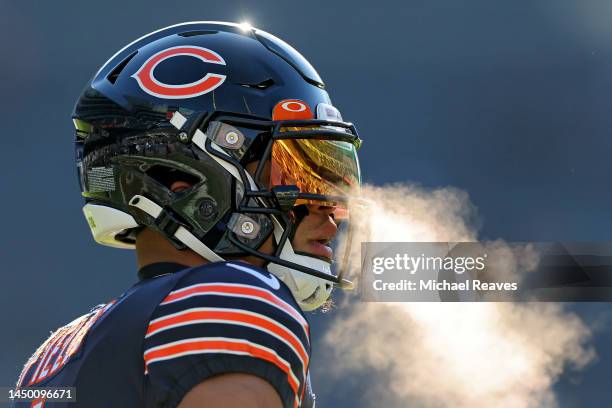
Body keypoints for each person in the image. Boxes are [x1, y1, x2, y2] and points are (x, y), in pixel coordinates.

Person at [12, 21, 361, 408]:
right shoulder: (229, 301)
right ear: (181, 177)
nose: (330, 213)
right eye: (290, 171)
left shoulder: (52, 356)